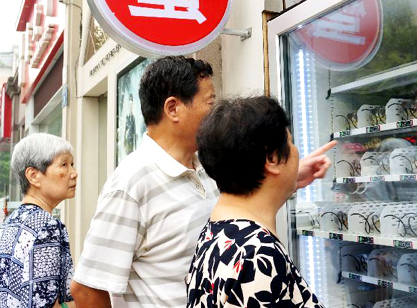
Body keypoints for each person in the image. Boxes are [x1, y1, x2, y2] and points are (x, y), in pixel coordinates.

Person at [71, 56, 334, 308]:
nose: (216, 112)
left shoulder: (203, 164)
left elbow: (246, 198)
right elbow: (86, 289)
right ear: (173, 108)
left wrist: (292, 174)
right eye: (210, 103)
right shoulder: (130, 183)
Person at [187, 96, 324, 307]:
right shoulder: (260, 254)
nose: (295, 151)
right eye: (290, 142)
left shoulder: (218, 231)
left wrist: (291, 178)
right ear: (272, 159)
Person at [0, 134, 78, 308]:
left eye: (72, 165)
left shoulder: (10, 222)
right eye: (64, 164)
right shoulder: (47, 227)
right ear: (33, 175)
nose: (74, 173)